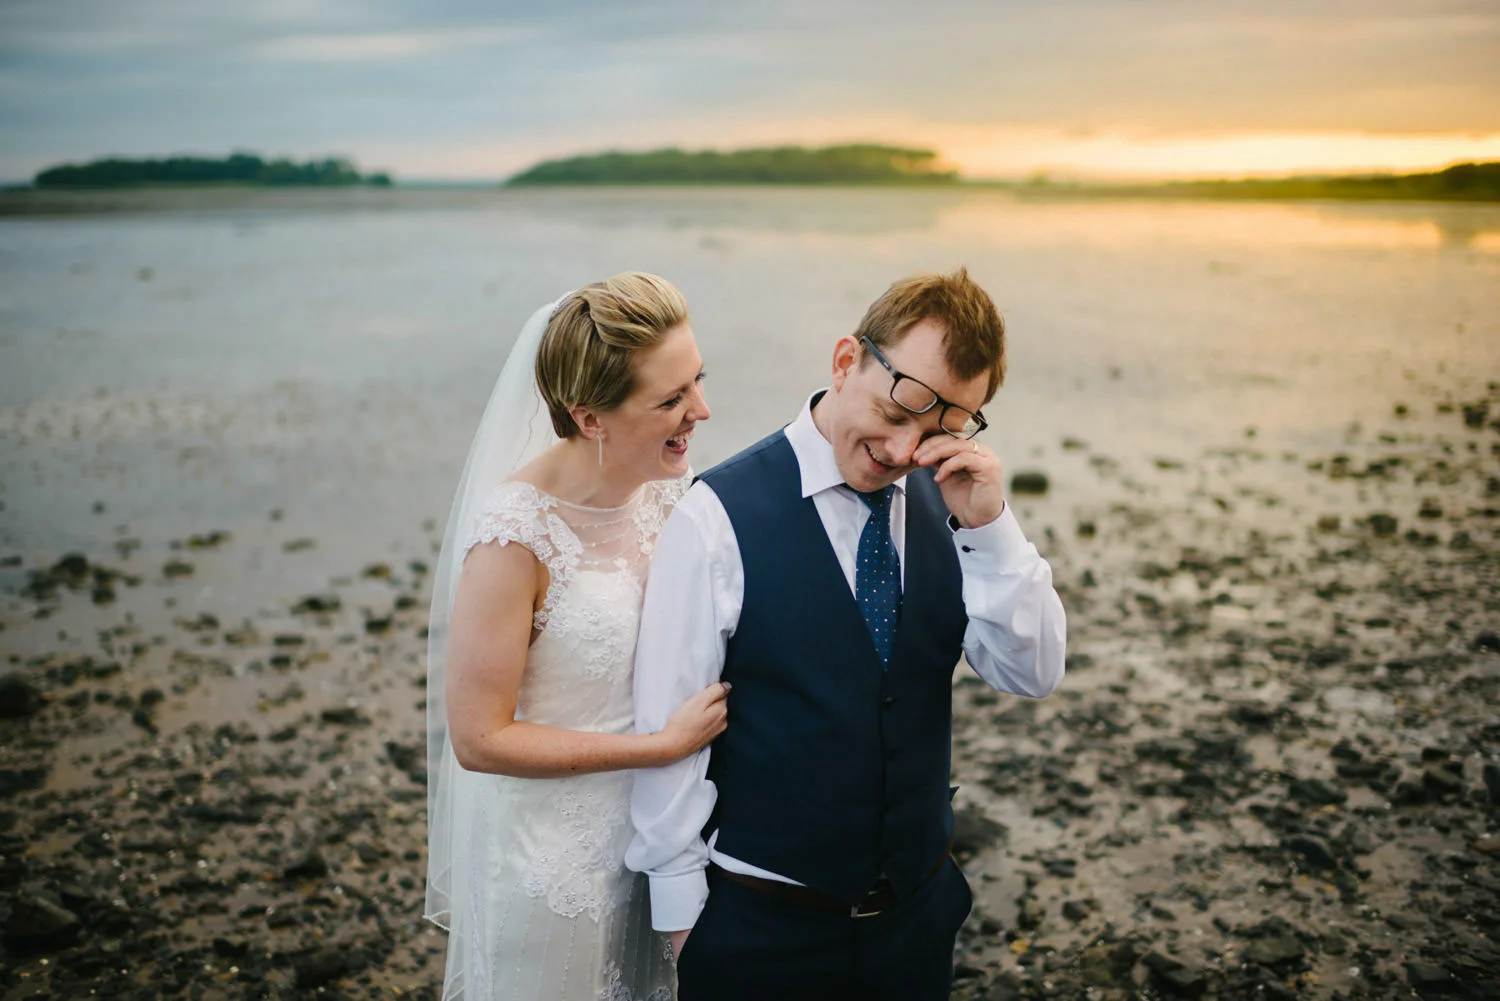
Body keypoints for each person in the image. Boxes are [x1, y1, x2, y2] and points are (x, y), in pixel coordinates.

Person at [627, 268, 1067, 1001]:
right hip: (761, 931)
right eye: (900, 407)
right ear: (844, 360)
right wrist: (686, 929)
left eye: (941, 427)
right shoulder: (715, 517)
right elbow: (667, 731)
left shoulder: (957, 507)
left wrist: (991, 528)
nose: (903, 449)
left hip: (916, 927)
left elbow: (1032, 670)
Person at [424, 272, 729, 1000]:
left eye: (698, 381)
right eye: (671, 399)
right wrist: (657, 747)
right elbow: (479, 737)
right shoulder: (514, 537)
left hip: (662, 844)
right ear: (590, 418)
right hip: (553, 867)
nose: (702, 410)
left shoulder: (669, 488)